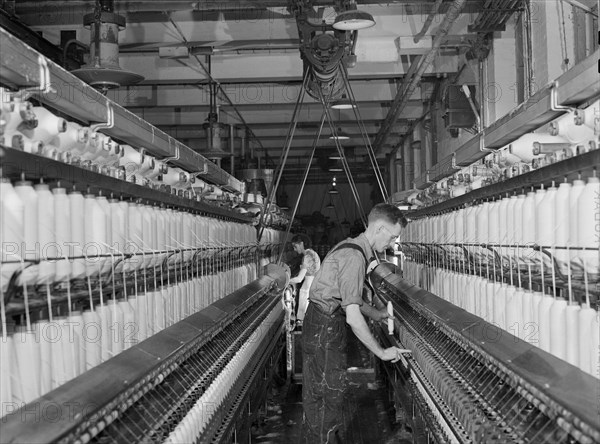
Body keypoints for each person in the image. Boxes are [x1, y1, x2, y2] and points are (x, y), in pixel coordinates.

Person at [301, 203, 409, 444]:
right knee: (328, 398)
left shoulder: (353, 247)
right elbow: (351, 315)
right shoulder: (354, 256)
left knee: (318, 399)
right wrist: (381, 352)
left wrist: (376, 314)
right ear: (380, 228)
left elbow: (349, 297)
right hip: (325, 328)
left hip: (320, 322)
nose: (392, 244)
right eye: (392, 237)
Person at [289, 234, 321, 324]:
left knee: (303, 319)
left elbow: (299, 279)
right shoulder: (313, 253)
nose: (294, 249)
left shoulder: (307, 257)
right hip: (314, 287)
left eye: (295, 246)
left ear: (301, 244)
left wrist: (286, 280)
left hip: (308, 288)